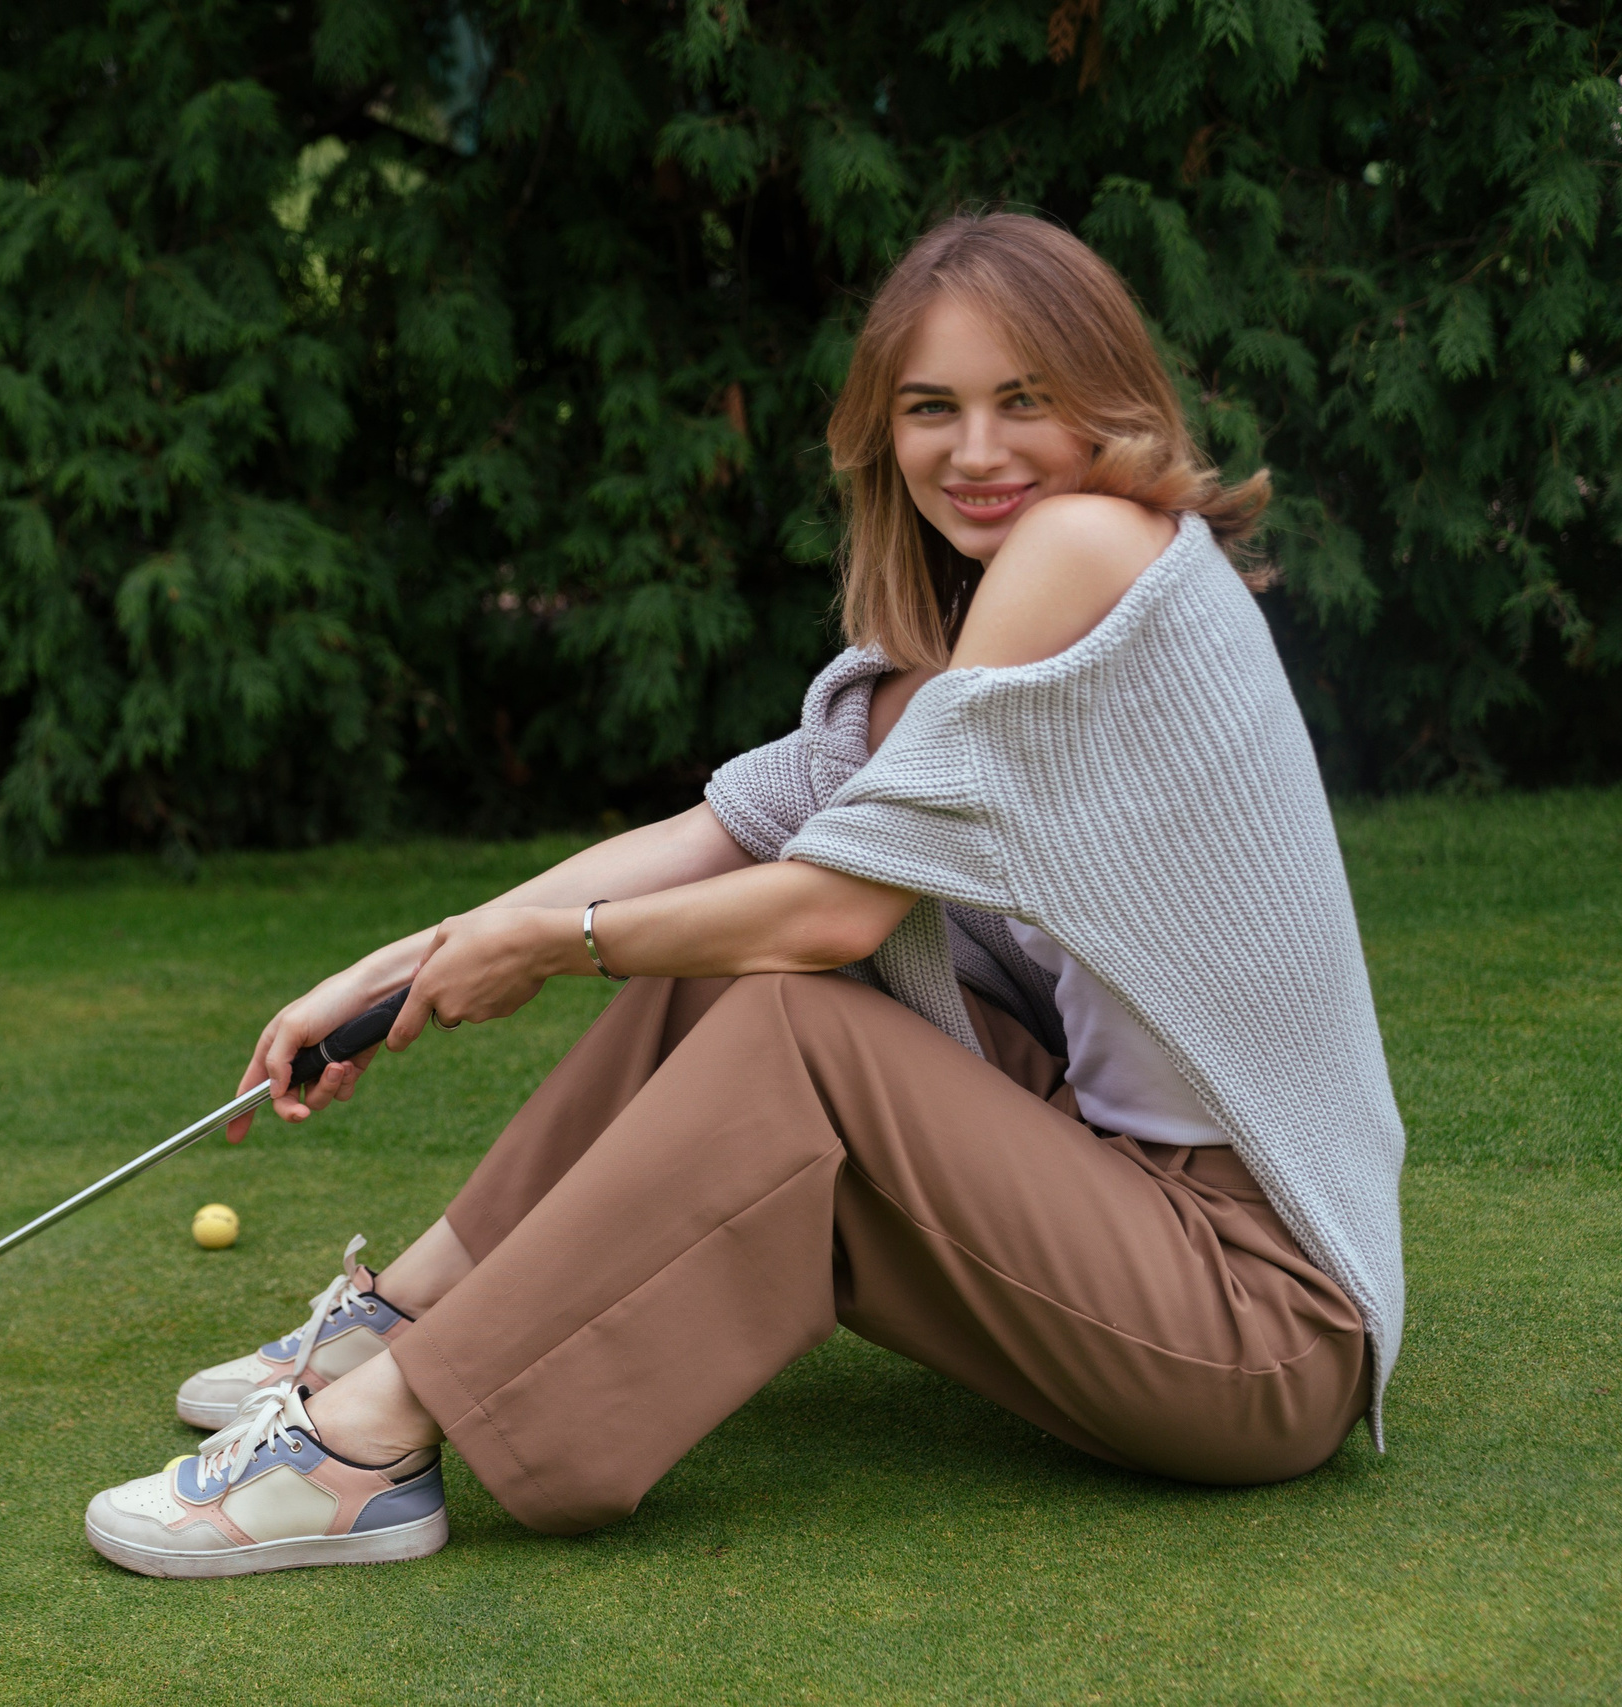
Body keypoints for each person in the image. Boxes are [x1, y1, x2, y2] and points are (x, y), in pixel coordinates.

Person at [82, 212, 1406, 1579]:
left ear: (1107, 400)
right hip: (1111, 1197)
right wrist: (398, 965)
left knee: (802, 1018)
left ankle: (370, 1447)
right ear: (877, 432)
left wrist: (552, 951)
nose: (978, 451)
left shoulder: (1093, 544)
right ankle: (405, 1318)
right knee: (726, 968)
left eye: (1027, 400)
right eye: (930, 408)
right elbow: (717, 835)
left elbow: (825, 916)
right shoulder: (945, 662)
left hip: (1256, 1321)